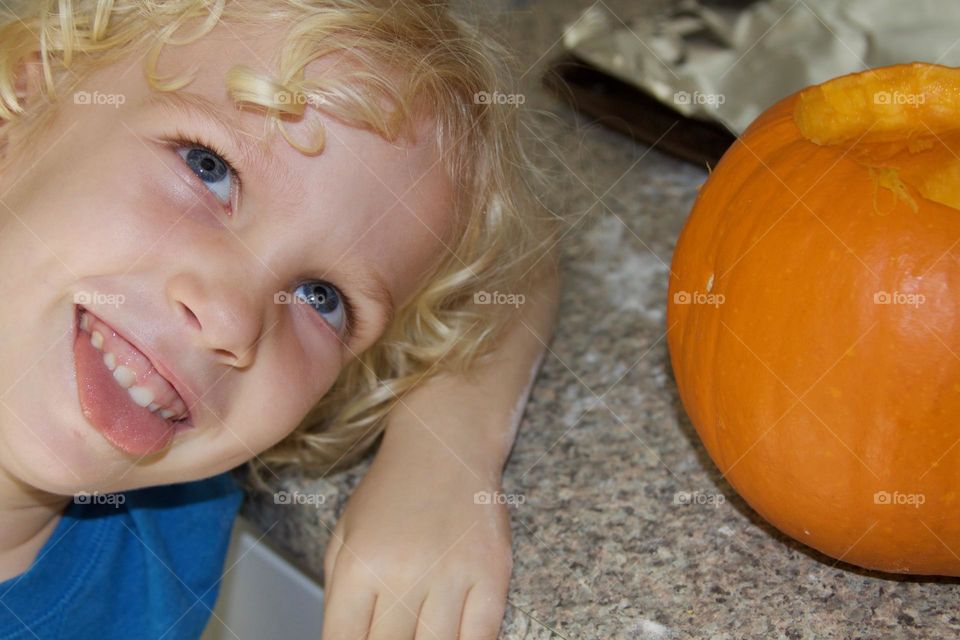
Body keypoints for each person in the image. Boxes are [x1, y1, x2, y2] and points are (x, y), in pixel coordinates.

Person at [0, 0, 563, 638]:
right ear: (31, 94)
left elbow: (521, 264)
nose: (234, 320)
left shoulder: (175, 501)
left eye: (321, 297)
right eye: (207, 167)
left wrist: (443, 461)